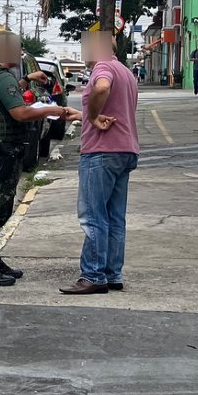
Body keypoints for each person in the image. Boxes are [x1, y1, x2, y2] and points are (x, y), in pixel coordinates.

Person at [0, 33, 80, 286]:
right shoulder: (3, 78)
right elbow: (20, 113)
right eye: (17, 49)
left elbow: (5, 96)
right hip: (3, 152)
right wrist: (54, 110)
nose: (20, 52)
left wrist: (27, 80)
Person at [61, 31, 140, 295]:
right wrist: (85, 115)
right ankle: (112, 273)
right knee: (115, 217)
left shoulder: (103, 66)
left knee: (93, 215)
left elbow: (102, 88)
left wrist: (92, 116)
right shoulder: (125, 72)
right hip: (125, 149)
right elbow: (116, 108)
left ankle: (93, 275)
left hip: (101, 151)